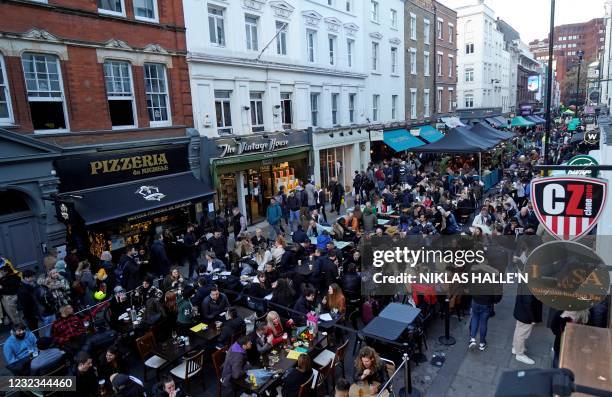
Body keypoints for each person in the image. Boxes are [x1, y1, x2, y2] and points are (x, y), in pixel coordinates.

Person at [512, 284, 542, 365]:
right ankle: (520, 354)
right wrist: (532, 319)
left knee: (518, 330)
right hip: (526, 315)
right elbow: (528, 302)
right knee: (522, 334)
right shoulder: (530, 283)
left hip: (520, 311)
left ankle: (516, 347)